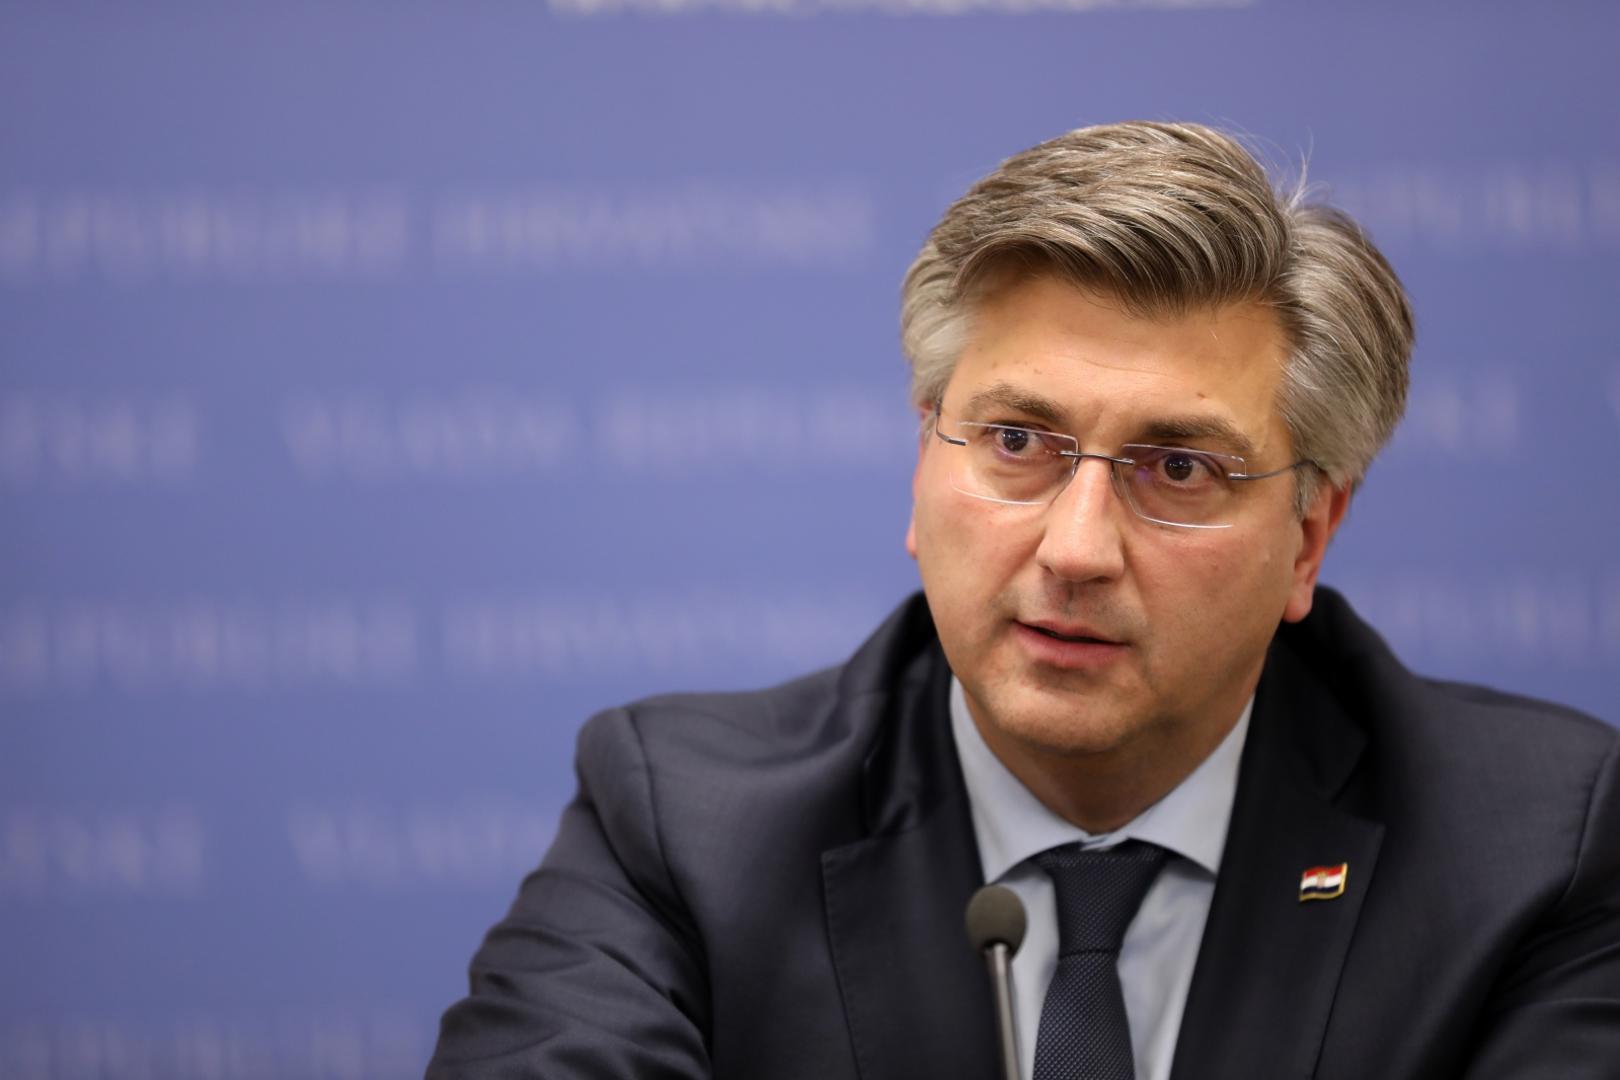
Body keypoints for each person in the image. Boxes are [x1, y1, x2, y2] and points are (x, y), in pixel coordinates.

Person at [426, 122, 1620, 1079]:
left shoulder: (1534, 851)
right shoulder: (685, 826)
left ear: (1308, 536)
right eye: (1015, 441)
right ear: (922, 465)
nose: (1077, 548)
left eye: (1179, 469)